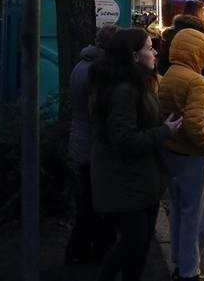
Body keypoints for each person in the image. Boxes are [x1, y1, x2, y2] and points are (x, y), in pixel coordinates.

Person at [89, 27, 183, 281]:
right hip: (126, 182)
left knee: (138, 246)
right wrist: (165, 131)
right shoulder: (125, 91)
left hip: (139, 180)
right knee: (133, 242)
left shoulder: (137, 84)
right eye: (149, 47)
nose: (154, 52)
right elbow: (125, 139)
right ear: (133, 56)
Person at [159, 28, 204, 281]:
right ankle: (190, 270)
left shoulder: (168, 75)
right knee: (195, 217)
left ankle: (179, 262)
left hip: (171, 152)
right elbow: (195, 125)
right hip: (191, 157)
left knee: (177, 212)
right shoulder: (197, 81)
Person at [65, 23, 119, 265]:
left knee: (86, 201)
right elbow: (99, 112)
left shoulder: (81, 64)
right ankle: (92, 251)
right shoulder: (98, 71)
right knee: (95, 203)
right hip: (92, 144)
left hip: (79, 139)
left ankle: (80, 249)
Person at [158, 0, 204, 93]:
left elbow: (162, 64)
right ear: (199, 14)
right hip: (196, 88)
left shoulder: (171, 34)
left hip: (171, 86)